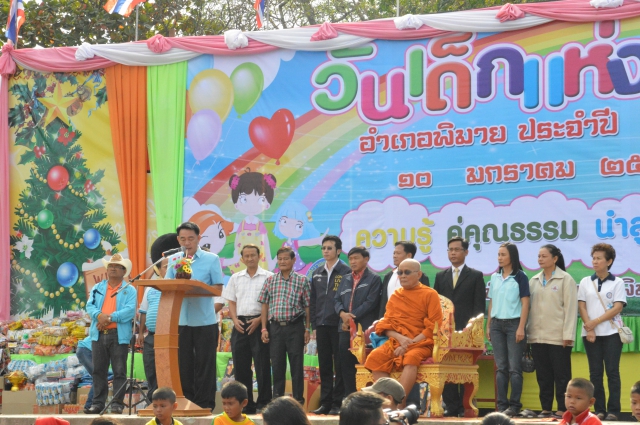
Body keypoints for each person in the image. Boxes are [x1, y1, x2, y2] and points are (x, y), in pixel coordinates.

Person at [165, 221, 225, 411]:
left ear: (198, 238)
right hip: (180, 320)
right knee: (183, 365)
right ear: (178, 240)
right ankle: (187, 403)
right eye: (183, 239)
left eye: (191, 238)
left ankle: (205, 405)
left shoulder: (211, 259)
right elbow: (167, 286)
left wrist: (196, 286)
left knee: (205, 365)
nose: (187, 243)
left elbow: (218, 288)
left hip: (205, 321)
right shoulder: (173, 259)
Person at [364, 259, 442, 402]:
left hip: (421, 342)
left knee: (411, 358)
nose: (403, 276)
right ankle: (389, 401)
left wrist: (408, 344)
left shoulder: (430, 294)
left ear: (419, 275)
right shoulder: (396, 295)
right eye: (400, 272)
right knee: (375, 357)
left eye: (407, 272)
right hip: (396, 341)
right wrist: (400, 338)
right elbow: (385, 325)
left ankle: (400, 402)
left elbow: (434, 326)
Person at [433, 236, 486, 417]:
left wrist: (474, 328)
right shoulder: (441, 276)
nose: (453, 253)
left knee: (464, 369)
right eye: (450, 250)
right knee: (445, 367)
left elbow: (479, 306)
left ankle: (465, 406)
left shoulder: (475, 276)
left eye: (457, 249)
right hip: (445, 330)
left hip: (466, 330)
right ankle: (451, 406)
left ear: (466, 252)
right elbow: (437, 305)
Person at [527, 244, 578, 418]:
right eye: (539, 256)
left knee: (562, 376)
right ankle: (546, 408)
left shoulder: (566, 279)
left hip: (559, 337)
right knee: (543, 375)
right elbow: (528, 309)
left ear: (555, 258)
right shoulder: (534, 280)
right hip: (537, 336)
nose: (540, 259)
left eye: (544, 256)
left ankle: (562, 409)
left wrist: (568, 335)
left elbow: (571, 309)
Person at [578, 243, 627, 421]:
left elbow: (617, 307)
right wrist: (589, 327)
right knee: (595, 373)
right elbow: (582, 306)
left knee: (612, 372)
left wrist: (595, 322)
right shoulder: (585, 281)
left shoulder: (618, 282)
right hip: (590, 335)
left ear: (609, 261)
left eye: (599, 258)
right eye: (594, 258)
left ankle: (613, 410)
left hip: (612, 333)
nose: (595, 261)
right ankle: (599, 409)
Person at [222, 244, 273, 414]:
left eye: (253, 255)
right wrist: (234, 319)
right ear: (242, 259)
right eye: (247, 256)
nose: (250, 258)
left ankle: (264, 403)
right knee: (241, 366)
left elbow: (272, 303)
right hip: (240, 324)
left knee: (262, 364)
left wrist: (260, 319)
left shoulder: (269, 277)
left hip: (261, 324)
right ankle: (246, 404)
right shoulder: (235, 278)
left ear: (259, 256)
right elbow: (231, 301)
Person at [85, 253, 137, 415]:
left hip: (118, 335)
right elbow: (90, 306)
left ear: (124, 271)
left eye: (117, 266)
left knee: (119, 372)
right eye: (111, 266)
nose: (113, 268)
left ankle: (117, 404)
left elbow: (129, 311)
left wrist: (108, 318)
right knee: (98, 371)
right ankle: (98, 404)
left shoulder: (130, 290)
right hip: (99, 335)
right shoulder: (97, 287)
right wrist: (99, 316)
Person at [259, 246, 311, 405]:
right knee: (277, 365)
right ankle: (277, 401)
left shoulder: (302, 280)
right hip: (275, 328)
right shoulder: (270, 280)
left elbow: (307, 306)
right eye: (280, 259)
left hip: (295, 327)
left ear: (293, 260)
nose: (282, 262)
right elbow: (264, 305)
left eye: (286, 259)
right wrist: (264, 328)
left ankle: (298, 401)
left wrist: (307, 329)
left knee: (296, 365)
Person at [486, 242, 530, 417]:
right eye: (498, 254)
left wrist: (521, 327)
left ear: (512, 256)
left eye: (503, 254)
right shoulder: (495, 277)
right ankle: (502, 405)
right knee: (501, 367)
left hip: (514, 324)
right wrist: (489, 325)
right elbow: (492, 302)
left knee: (514, 368)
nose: (500, 258)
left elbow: (525, 303)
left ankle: (514, 405)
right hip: (496, 325)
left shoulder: (520, 276)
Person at [310, 235, 351, 415]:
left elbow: (347, 299)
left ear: (338, 251)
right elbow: (313, 301)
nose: (325, 251)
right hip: (321, 324)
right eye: (323, 248)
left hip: (339, 325)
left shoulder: (346, 271)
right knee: (324, 364)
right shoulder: (317, 272)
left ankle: (338, 402)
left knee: (339, 364)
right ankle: (325, 402)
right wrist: (314, 325)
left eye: (329, 248)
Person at [137, 233, 180, 403]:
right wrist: (141, 333)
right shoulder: (151, 288)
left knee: (169, 371)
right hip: (151, 336)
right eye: (164, 267)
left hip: (171, 336)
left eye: (170, 266)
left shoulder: (178, 287)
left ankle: (169, 404)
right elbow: (143, 312)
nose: (167, 269)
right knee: (151, 370)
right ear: (159, 270)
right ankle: (152, 403)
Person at [335, 246, 382, 397]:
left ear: (366, 259)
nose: (352, 262)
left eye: (356, 258)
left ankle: (365, 399)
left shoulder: (374, 279)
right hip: (344, 329)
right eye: (350, 259)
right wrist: (342, 314)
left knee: (363, 365)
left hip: (363, 329)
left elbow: (370, 303)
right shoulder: (345, 279)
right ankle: (350, 399)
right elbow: (336, 300)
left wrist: (350, 318)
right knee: (345, 366)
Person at [228, 171, 277, 272]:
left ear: (267, 204)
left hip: (259, 260)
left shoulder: (260, 225)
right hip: (242, 260)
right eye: (244, 199)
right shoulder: (242, 224)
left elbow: (266, 244)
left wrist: (269, 259)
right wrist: (235, 255)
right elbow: (236, 242)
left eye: (260, 200)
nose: (251, 205)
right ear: (236, 204)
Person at [272, 201, 327, 274]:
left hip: (299, 270)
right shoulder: (285, 244)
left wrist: (318, 240)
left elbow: (306, 242)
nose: (290, 228)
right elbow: (279, 256)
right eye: (284, 222)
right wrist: (273, 262)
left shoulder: (294, 243)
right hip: (288, 271)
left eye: (298, 226)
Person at [378, 241, 430, 318]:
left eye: (398, 253)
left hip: (412, 321)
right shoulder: (388, 276)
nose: (394, 256)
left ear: (409, 255)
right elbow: (383, 302)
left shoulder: (420, 277)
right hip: (389, 320)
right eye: (394, 253)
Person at [76, 336, 94, 411]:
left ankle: (90, 405)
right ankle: (89, 406)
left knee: (100, 377)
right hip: (86, 349)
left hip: (85, 349)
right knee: (99, 378)